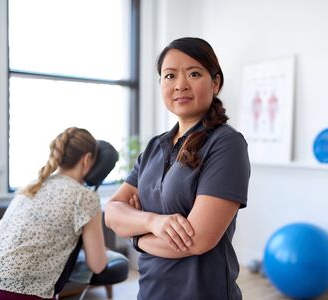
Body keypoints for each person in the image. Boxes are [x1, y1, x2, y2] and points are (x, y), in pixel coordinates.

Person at [105, 37, 251, 300]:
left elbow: (196, 240)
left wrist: (135, 236)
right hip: (151, 290)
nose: (180, 85)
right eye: (169, 76)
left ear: (215, 82)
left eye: (194, 73)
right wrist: (152, 221)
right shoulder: (153, 147)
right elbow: (113, 213)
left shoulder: (226, 143)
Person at [0, 127, 108, 299]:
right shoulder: (85, 197)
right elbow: (98, 264)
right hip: (14, 293)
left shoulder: (31, 186)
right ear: (87, 159)